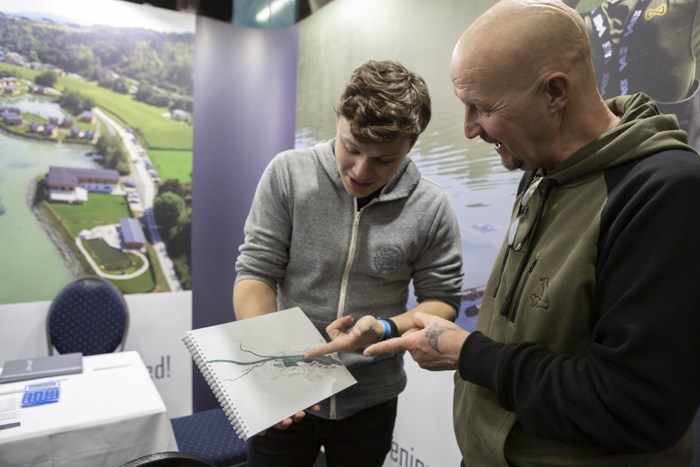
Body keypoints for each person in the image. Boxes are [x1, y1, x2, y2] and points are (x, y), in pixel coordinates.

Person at [364, 1, 700, 465]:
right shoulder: (540, 169)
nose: (469, 129)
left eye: (482, 108)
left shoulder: (664, 191)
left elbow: (638, 405)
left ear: (555, 92)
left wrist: (471, 354)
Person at [233, 59, 464, 467]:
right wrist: (273, 368)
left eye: (383, 160)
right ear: (338, 120)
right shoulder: (288, 175)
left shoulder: (431, 206)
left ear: (410, 146)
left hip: (370, 398)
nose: (360, 170)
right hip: (288, 385)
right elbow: (256, 273)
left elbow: (442, 301)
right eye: (351, 148)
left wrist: (385, 327)